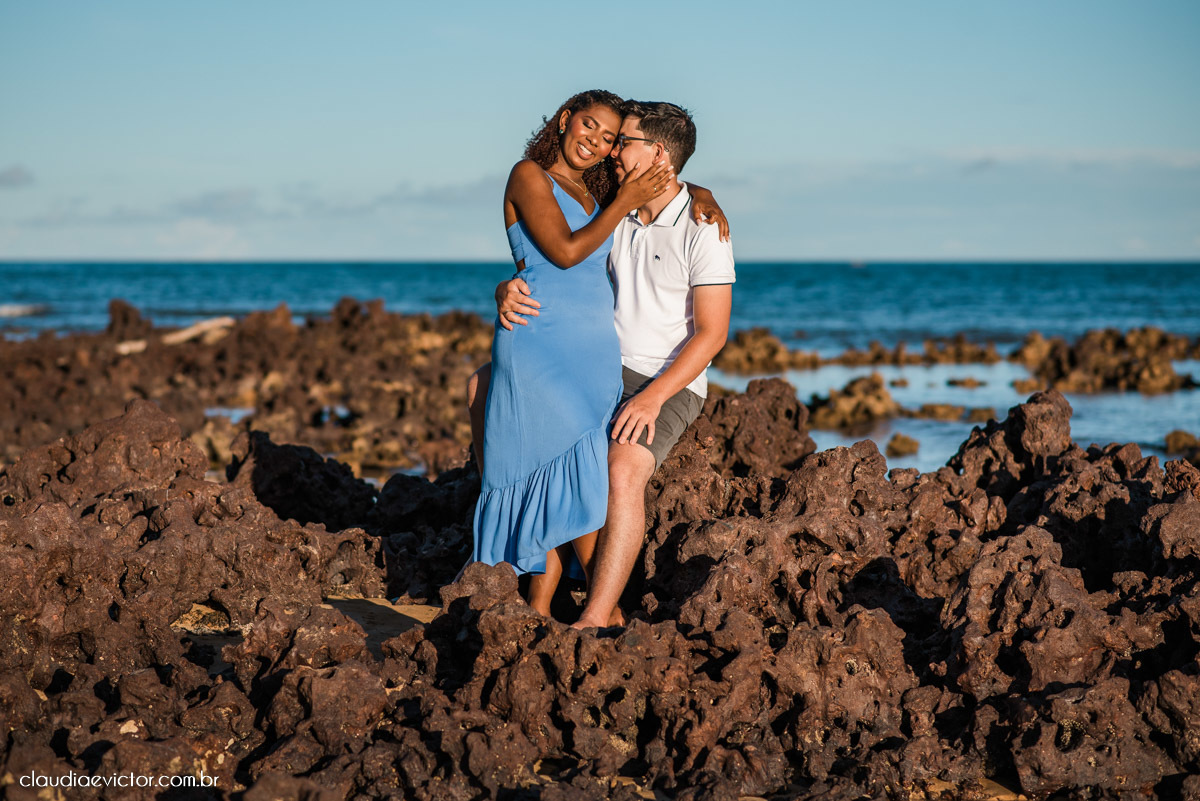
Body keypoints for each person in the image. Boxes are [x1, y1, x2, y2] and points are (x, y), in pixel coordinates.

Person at [470, 91, 728, 618]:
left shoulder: (687, 221)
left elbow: (712, 334)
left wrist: (701, 193)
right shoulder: (615, 206)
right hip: (590, 357)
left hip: (638, 372)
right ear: (565, 120)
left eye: (618, 140)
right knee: (499, 406)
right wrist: (506, 287)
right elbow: (557, 252)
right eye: (596, 131)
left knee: (606, 467)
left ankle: (598, 612)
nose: (607, 150)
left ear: (654, 153)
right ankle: (546, 582)